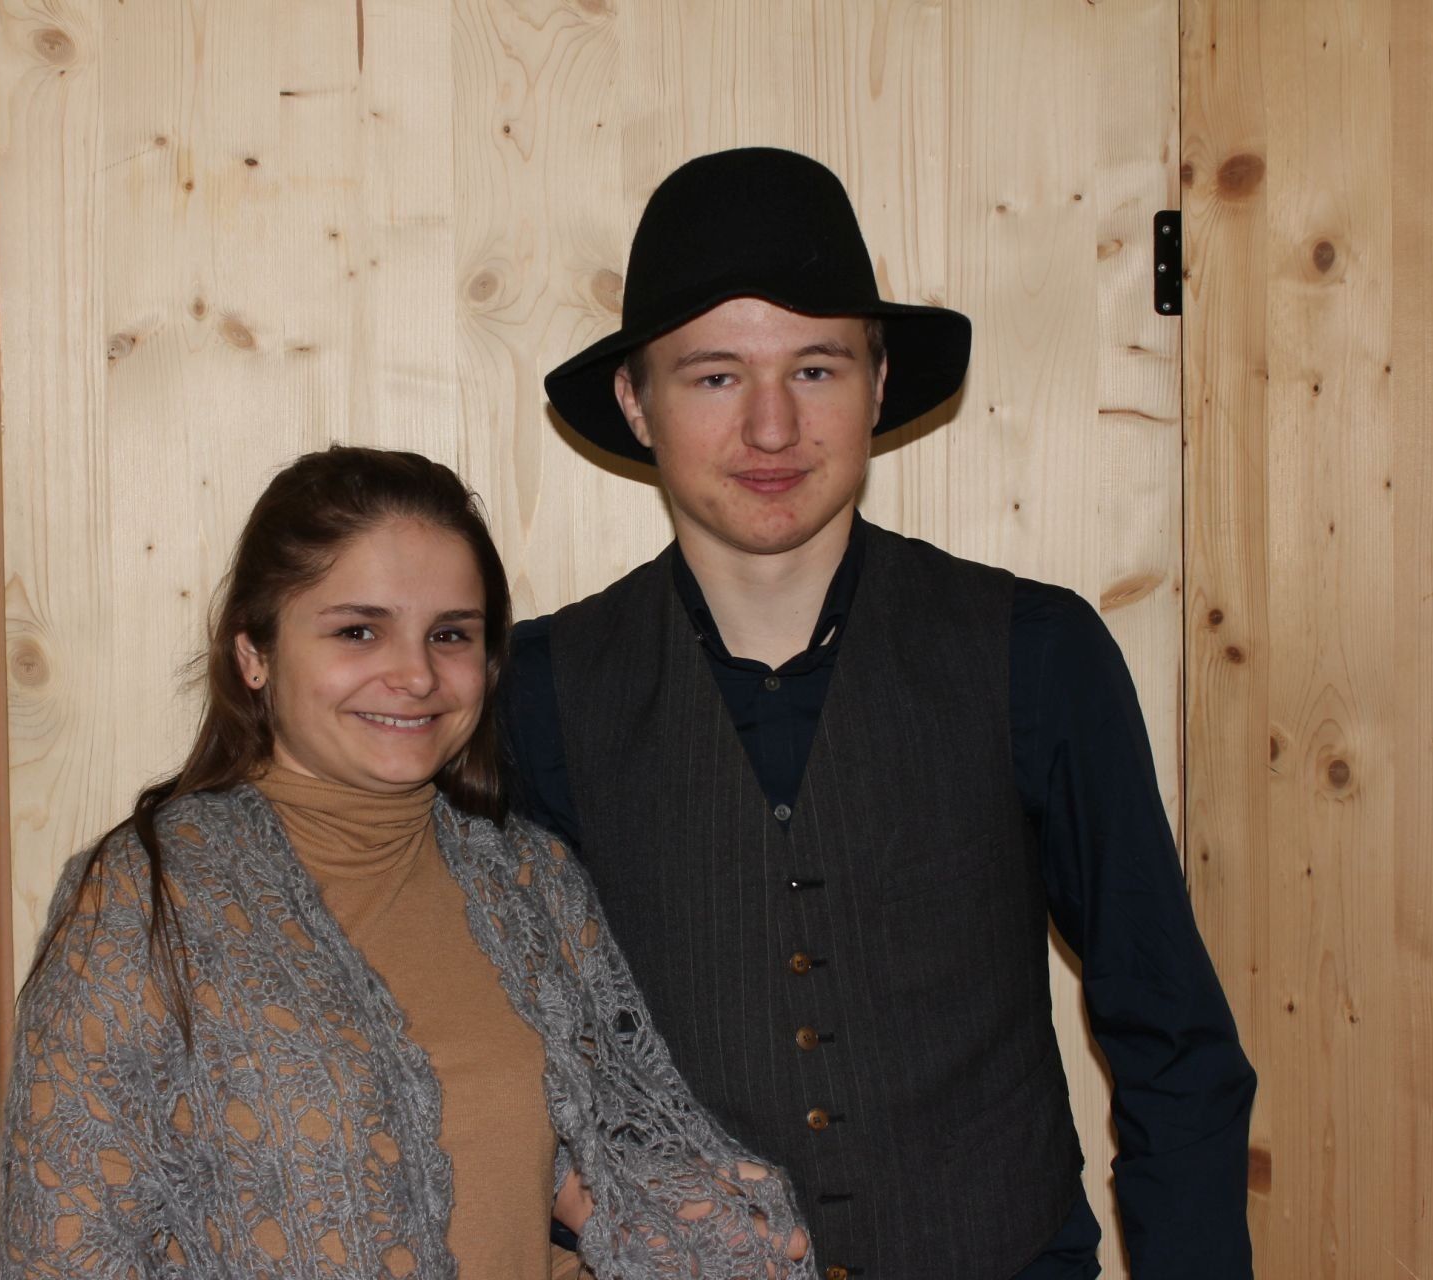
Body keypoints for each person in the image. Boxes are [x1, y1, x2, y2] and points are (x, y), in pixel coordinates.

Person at [505, 148, 1258, 1279]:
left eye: (815, 368)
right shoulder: (534, 694)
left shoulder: (1036, 655)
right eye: (714, 377)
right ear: (634, 400)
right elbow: (497, 1059)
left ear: (878, 380)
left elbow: (1172, 1034)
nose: (771, 428)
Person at [0, 446, 812, 1279]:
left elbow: (573, 1191)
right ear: (254, 653)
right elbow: (66, 1252)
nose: (416, 675)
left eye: (450, 635)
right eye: (359, 631)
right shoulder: (143, 900)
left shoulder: (528, 880)